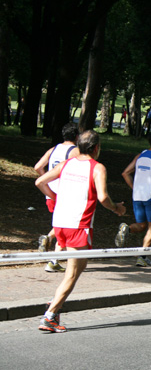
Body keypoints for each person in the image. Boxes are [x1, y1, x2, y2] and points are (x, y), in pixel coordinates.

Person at [35, 130, 126, 332]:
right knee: (72, 274)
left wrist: (55, 198)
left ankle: (55, 304)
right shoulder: (97, 168)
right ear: (96, 148)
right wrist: (117, 208)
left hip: (59, 223)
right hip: (79, 225)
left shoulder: (67, 164)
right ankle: (50, 316)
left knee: (80, 266)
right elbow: (103, 198)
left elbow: (39, 181)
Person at [114, 130, 151, 267]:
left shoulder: (140, 155)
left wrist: (134, 187)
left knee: (142, 226)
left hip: (137, 195)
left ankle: (126, 229)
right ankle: (142, 257)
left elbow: (125, 173)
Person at [34, 122, 80, 273]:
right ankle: (49, 242)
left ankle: (53, 258)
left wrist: (48, 179)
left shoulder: (54, 149)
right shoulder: (75, 151)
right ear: (77, 136)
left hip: (50, 193)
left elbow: (38, 167)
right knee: (65, 226)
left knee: (61, 224)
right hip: (65, 194)